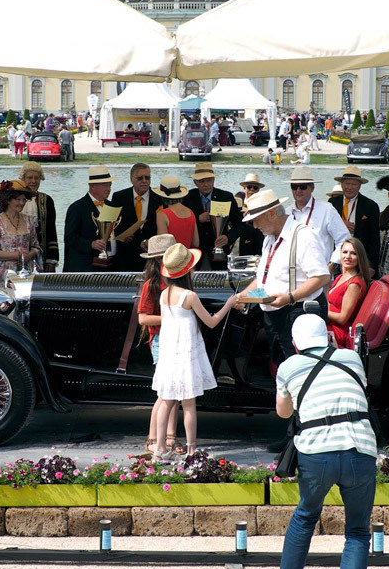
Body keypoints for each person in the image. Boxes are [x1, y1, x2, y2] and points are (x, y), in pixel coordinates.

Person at [271, 314, 377, 569]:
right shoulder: (352, 358)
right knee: (357, 531)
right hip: (359, 448)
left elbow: (283, 413)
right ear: (329, 337)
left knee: (305, 515)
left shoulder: (288, 367)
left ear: (294, 344)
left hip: (316, 453)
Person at [150, 243, 237, 460]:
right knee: (188, 404)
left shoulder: (163, 295)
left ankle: (159, 450)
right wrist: (228, 304)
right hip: (185, 356)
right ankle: (191, 450)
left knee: (166, 400)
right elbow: (211, 322)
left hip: (168, 356)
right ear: (188, 271)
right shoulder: (189, 296)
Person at [236, 188, 331, 365]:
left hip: (297, 314)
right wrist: (244, 296)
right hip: (275, 315)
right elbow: (264, 278)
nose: (255, 226)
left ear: (271, 214)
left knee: (301, 369)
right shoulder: (269, 238)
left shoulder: (303, 236)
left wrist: (289, 298)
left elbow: (322, 277)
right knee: (283, 367)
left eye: (256, 220)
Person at [137, 234, 180, 454]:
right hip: (161, 339)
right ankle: (154, 438)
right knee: (166, 391)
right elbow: (143, 318)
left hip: (177, 337)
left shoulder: (177, 281)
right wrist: (172, 317)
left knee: (175, 390)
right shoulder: (150, 285)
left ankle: (169, 436)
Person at [287, 166, 350, 266]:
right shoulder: (287, 213)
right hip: (293, 273)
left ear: (312, 187)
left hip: (321, 274)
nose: (298, 190)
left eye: (303, 187)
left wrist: (333, 264)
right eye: (294, 186)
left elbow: (344, 239)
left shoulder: (327, 210)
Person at [184, 163, 242, 269]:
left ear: (213, 180)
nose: (206, 184)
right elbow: (182, 224)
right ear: (195, 182)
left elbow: (240, 224)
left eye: (209, 180)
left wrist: (228, 237)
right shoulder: (187, 198)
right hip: (195, 252)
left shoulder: (226, 197)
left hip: (220, 252)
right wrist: (197, 219)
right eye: (202, 181)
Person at [326, 166, 380, 275]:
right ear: (341, 184)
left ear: (359, 186)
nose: (349, 187)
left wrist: (372, 266)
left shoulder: (370, 206)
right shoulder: (332, 203)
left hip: (360, 261)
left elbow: (375, 238)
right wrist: (341, 224)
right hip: (336, 260)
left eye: (353, 184)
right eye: (347, 183)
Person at [63, 165, 117, 272]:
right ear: (92, 186)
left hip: (109, 265)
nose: (108, 189)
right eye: (105, 185)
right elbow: (69, 238)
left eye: (109, 185)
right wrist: (91, 244)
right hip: (85, 267)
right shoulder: (77, 208)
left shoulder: (111, 205)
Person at [111, 163, 159, 272]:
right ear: (131, 179)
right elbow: (112, 225)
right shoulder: (119, 197)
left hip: (152, 258)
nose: (144, 181)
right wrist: (121, 235)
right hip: (125, 257)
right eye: (140, 178)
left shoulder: (159, 198)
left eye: (147, 177)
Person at [327, 239, 371, 349]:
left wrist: (320, 311)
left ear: (359, 257)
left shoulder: (354, 284)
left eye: (353, 253)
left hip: (339, 332)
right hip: (329, 324)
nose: (348, 256)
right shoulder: (340, 277)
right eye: (345, 252)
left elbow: (342, 318)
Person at [19, 162, 59, 272]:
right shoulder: (12, 200)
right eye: (29, 178)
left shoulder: (47, 200)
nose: (33, 181)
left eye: (37, 178)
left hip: (43, 255)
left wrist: (51, 259)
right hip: (16, 256)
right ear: (23, 179)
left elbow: (51, 230)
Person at [153, 176, 199, 251]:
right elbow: (196, 243)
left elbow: (163, 245)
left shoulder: (162, 214)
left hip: (170, 259)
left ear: (162, 196)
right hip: (188, 258)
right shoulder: (190, 212)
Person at [237, 174, 266, 256]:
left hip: (256, 238)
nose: (252, 189)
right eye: (249, 187)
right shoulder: (237, 199)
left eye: (255, 187)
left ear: (258, 190)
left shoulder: (263, 203)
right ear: (244, 188)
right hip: (239, 237)